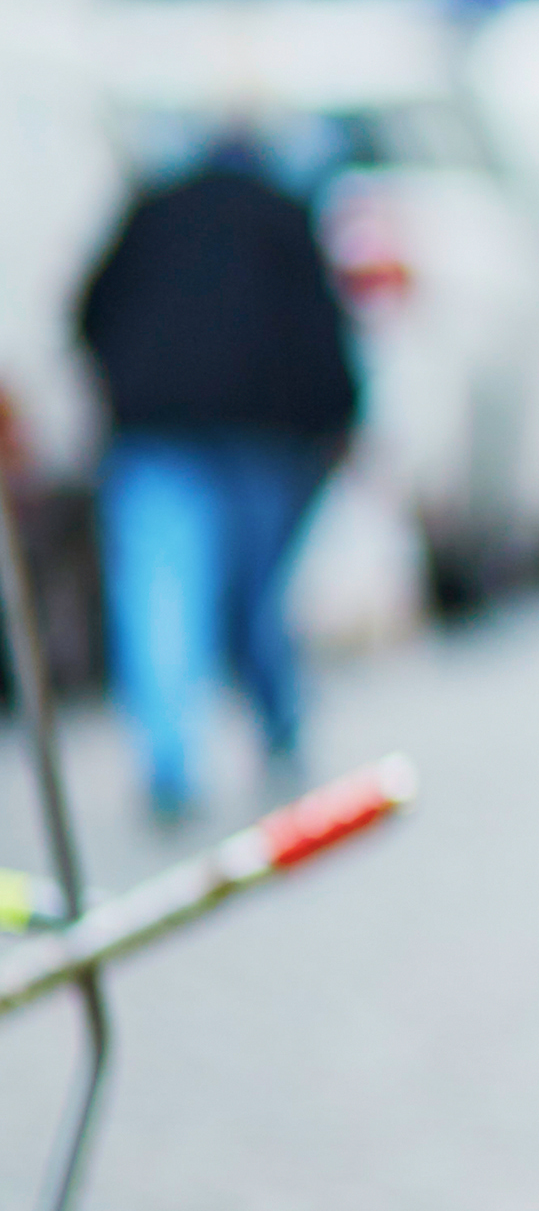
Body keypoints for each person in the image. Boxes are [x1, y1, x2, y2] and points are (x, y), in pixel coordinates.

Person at [75, 134, 359, 824]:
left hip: (158, 426)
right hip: (258, 432)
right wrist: (340, 420)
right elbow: (322, 331)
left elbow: (89, 309)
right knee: (253, 590)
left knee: (159, 588)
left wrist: (118, 384)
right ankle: (277, 719)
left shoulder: (153, 211)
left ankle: (170, 757)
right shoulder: (282, 213)